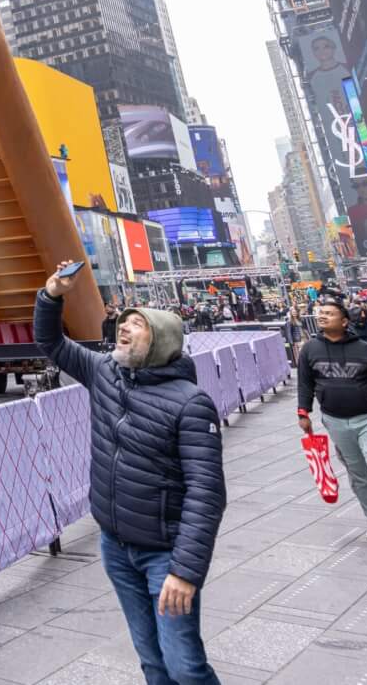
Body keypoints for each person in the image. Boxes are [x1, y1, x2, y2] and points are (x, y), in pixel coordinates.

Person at [40, 263, 225, 685]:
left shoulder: (190, 403)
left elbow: (206, 492)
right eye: (123, 323)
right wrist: (51, 296)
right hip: (116, 547)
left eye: (137, 325)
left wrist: (185, 570)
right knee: (151, 660)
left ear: (161, 340)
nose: (123, 328)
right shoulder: (104, 372)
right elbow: (51, 342)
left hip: (166, 553)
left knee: (185, 666)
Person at [296, 299, 367, 540]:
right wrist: (303, 411)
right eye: (320, 313)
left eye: (329, 313)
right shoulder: (310, 349)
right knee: (356, 471)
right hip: (334, 420)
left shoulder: (365, 349)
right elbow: (305, 382)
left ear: (344, 321)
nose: (322, 316)